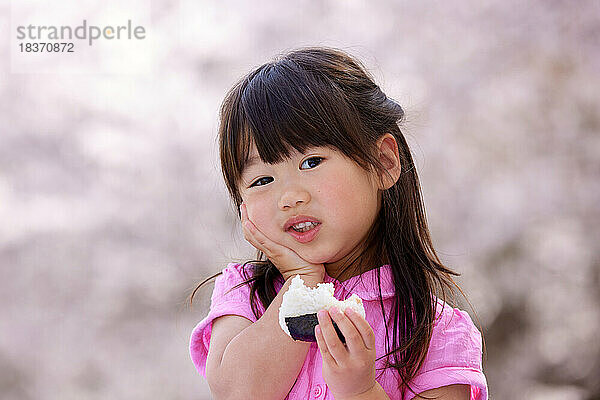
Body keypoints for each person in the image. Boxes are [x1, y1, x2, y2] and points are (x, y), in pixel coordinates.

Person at [188, 47, 488, 400]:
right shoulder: (247, 294)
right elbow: (239, 392)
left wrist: (360, 391)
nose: (289, 196)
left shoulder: (434, 330)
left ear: (383, 162)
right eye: (262, 180)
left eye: (311, 161)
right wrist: (303, 284)